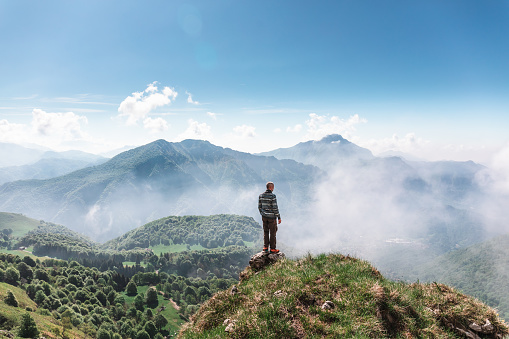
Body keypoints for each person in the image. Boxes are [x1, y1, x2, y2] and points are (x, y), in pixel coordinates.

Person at [258, 181, 282, 254]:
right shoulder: (272, 196)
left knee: (265, 231)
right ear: (271, 187)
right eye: (273, 187)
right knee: (273, 232)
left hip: (264, 217)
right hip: (272, 217)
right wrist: (278, 217)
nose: (273, 189)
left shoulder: (261, 195)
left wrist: (262, 213)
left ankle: (265, 247)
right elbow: (275, 207)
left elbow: (259, 207)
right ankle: (272, 249)